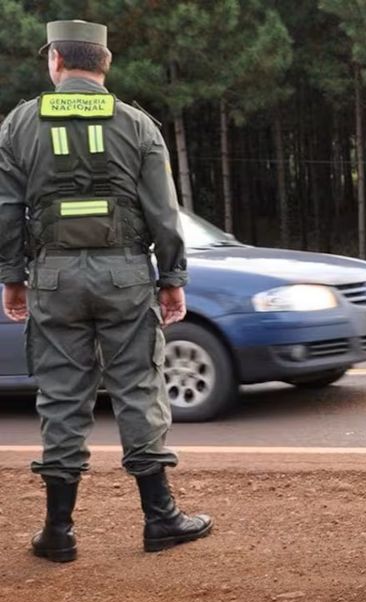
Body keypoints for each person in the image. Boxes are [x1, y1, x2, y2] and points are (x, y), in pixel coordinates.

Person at [0, 20, 213, 562]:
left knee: (62, 397)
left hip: (53, 278)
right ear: (105, 64)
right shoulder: (138, 125)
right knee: (138, 389)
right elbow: (164, 214)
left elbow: (5, 211)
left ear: (55, 61)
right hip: (125, 277)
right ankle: (160, 518)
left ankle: (60, 532)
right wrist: (172, 279)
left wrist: (12, 278)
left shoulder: (20, 124)